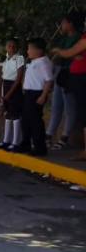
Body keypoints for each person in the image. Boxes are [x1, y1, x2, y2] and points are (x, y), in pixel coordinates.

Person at [47, 13, 81, 150]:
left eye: (64, 22)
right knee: (56, 105)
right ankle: (48, 135)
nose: (62, 26)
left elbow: (69, 54)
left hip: (70, 73)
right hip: (60, 72)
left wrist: (62, 52)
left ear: (70, 24)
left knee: (69, 106)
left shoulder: (78, 38)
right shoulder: (64, 38)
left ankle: (64, 137)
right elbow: (56, 52)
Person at [52, 26, 86, 162]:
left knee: (84, 113)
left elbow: (69, 52)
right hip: (80, 77)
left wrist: (58, 50)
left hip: (82, 78)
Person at [17, 38, 54, 156]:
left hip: (36, 94)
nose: (28, 51)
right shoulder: (34, 62)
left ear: (38, 50)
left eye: (30, 49)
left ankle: (39, 147)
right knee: (26, 120)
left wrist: (43, 95)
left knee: (35, 122)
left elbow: (49, 80)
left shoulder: (43, 63)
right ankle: (25, 143)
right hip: (28, 94)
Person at [0, 39, 24, 151]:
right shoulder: (6, 58)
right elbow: (2, 77)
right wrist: (0, 92)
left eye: (13, 46)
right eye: (9, 45)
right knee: (7, 113)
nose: (11, 48)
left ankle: (15, 142)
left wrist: (9, 93)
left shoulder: (19, 58)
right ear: (5, 47)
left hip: (14, 87)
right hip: (6, 85)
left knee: (15, 114)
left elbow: (19, 77)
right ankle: (6, 140)